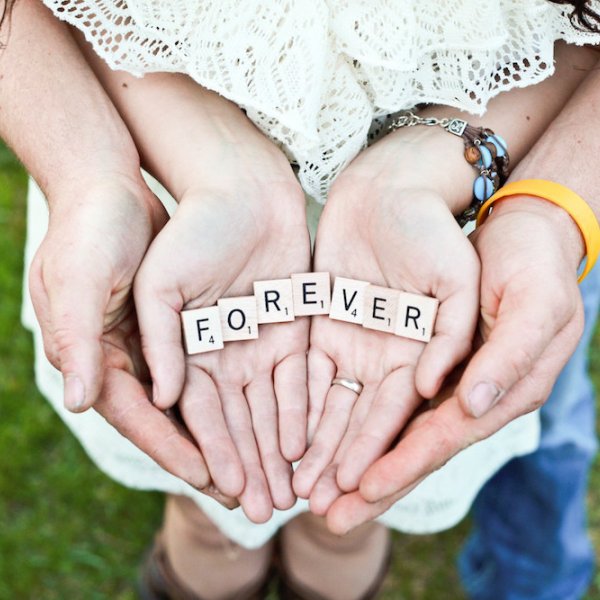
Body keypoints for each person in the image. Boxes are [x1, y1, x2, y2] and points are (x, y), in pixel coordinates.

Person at [1, 1, 599, 599]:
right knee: (210, 504)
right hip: (157, 167)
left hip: (454, 212)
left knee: (350, 505)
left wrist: (548, 210)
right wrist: (89, 173)